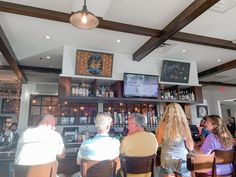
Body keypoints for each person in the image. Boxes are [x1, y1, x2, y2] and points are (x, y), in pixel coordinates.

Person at [72, 113, 120, 177]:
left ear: (96, 126)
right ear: (108, 126)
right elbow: (117, 163)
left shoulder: (85, 143)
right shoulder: (115, 143)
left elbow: (78, 162)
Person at [155, 103, 194, 177]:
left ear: (167, 112)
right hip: (181, 159)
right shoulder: (184, 126)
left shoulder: (162, 125)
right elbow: (190, 147)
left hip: (167, 159)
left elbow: (157, 143)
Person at [120, 113, 158, 177]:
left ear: (136, 125)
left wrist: (129, 136)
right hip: (148, 175)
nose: (127, 127)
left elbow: (120, 154)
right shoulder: (153, 137)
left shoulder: (126, 140)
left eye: (128, 124)